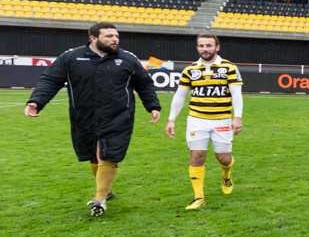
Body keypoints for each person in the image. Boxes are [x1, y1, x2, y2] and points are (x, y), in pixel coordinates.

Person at [25, 23, 161, 217]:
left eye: (116, 36)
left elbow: (144, 84)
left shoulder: (127, 58)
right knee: (93, 154)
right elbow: (50, 79)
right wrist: (36, 101)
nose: (114, 40)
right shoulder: (71, 57)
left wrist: (153, 106)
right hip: (84, 115)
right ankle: (105, 189)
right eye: (108, 36)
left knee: (108, 154)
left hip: (118, 116)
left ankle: (100, 199)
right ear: (93, 38)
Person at [164, 34, 243, 210]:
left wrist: (237, 117)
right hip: (197, 120)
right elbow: (180, 95)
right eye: (201, 46)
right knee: (196, 156)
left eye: (208, 45)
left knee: (224, 159)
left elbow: (236, 94)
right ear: (197, 47)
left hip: (221, 120)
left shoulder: (229, 67)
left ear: (217, 47)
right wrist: (171, 119)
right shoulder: (190, 70)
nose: (205, 49)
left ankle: (226, 174)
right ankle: (199, 197)